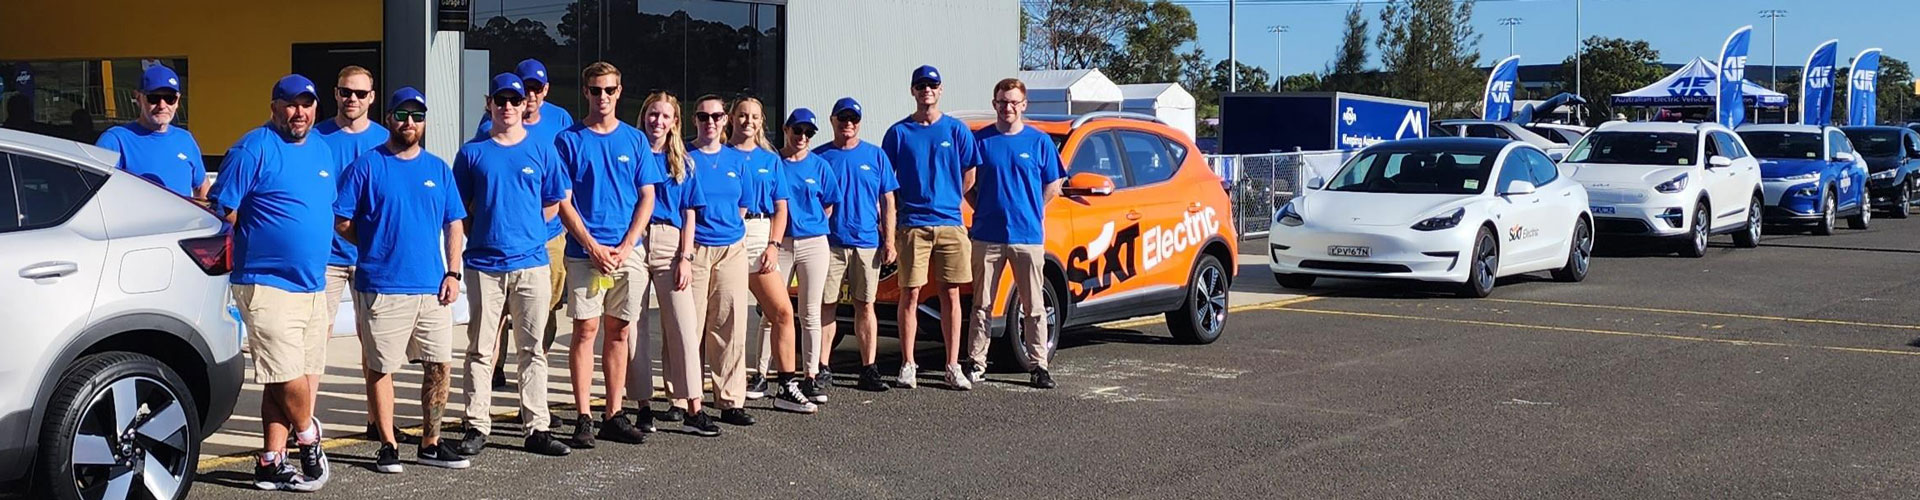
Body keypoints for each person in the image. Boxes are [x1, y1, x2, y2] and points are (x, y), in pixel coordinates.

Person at [332, 87, 474, 473]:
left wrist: (453, 272)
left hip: (432, 286)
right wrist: (374, 243)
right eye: (401, 115)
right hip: (382, 286)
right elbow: (342, 218)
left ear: (424, 121)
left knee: (439, 364)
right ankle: (388, 445)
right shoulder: (367, 166)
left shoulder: (438, 169)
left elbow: (454, 222)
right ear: (389, 117)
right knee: (381, 367)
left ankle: (431, 443)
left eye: (416, 115)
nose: (409, 122)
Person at [211, 74, 336, 492]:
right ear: (274, 106)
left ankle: (271, 460)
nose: (299, 112)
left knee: (284, 376)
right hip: (264, 282)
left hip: (313, 285)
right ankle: (309, 436)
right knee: (287, 375)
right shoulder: (253, 148)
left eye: (306, 104)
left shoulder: (322, 148)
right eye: (290, 104)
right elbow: (222, 211)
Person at [452, 73, 572, 457]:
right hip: (485, 264)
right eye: (500, 100)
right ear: (490, 103)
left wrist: (530, 232)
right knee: (481, 349)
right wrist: (482, 235)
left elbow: (553, 200)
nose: (507, 107)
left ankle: (536, 425)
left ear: (525, 105)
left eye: (514, 100)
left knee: (532, 348)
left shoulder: (541, 149)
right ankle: (476, 424)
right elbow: (460, 210)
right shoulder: (472, 152)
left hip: (531, 263)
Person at [553, 62, 657, 447]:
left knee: (620, 332)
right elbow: (562, 201)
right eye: (595, 90)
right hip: (585, 254)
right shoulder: (568, 140)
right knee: (585, 331)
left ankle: (613, 413)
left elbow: (647, 196)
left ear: (619, 91)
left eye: (609, 90)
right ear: (585, 93)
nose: (602, 97)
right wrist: (593, 246)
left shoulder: (634, 140)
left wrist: (628, 245)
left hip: (627, 253)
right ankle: (584, 415)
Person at [310, 65, 397, 441]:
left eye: (360, 94)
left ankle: (378, 423)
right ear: (336, 93)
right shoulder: (316, 138)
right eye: (346, 92)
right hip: (325, 256)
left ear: (372, 97)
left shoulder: (386, 139)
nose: (352, 100)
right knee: (315, 341)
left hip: (371, 258)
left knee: (375, 342)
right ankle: (304, 425)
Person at [482, 59, 577, 392]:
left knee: (545, 308)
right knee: (501, 312)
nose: (530, 95)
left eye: (536, 89)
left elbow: (561, 184)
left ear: (544, 90)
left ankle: (537, 367)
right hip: (501, 239)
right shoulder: (492, 123)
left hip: (547, 235)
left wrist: (538, 226)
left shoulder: (560, 120)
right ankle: (494, 368)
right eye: (525, 87)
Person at [881, 65, 977, 389]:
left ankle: (953, 365)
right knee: (910, 294)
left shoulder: (956, 130)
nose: (926, 90)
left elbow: (969, 175)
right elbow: (886, 181)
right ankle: (908, 364)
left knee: (951, 294)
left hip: (950, 223)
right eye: (921, 85)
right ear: (913, 90)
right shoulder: (898, 133)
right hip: (912, 225)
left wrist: (948, 200)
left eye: (932, 85)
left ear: (940, 89)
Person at [965, 78, 1064, 389]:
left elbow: (1054, 184)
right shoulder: (981, 141)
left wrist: (1035, 206)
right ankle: (976, 361)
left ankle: (1039, 365)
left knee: (1033, 304)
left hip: (1027, 235)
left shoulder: (1039, 142)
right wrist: (978, 207)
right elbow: (967, 183)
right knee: (981, 303)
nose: (1007, 107)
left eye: (1013, 102)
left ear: (1024, 105)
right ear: (994, 104)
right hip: (987, 234)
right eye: (1002, 101)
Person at [634, 90, 710, 434]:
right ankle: (642, 406)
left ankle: (693, 406)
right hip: (634, 239)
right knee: (632, 326)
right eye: (653, 114)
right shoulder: (631, 151)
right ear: (644, 116)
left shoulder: (683, 161)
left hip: (670, 241)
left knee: (683, 326)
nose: (658, 121)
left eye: (665, 116)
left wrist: (685, 256)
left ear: (675, 122)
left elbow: (689, 212)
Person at [815, 97, 898, 392]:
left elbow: (888, 201)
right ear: (832, 120)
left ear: (859, 122)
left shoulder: (876, 156)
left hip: (866, 244)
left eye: (853, 118)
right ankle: (822, 367)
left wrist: (889, 240)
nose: (847, 123)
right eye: (842, 118)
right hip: (830, 244)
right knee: (827, 305)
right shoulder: (819, 157)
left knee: (866, 305)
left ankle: (868, 369)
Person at [687, 94, 756, 430]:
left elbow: (743, 205)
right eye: (703, 117)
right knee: (690, 326)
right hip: (695, 248)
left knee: (729, 325)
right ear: (694, 120)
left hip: (731, 248)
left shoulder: (737, 160)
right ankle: (682, 398)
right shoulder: (684, 157)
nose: (709, 122)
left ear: (725, 120)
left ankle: (730, 399)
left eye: (716, 116)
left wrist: (728, 231)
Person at [727, 97, 796, 403]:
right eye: (742, 115)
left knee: (782, 312)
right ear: (732, 118)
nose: (748, 121)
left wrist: (773, 245)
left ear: (761, 122)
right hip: (726, 235)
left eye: (755, 116)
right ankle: (725, 387)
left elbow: (781, 208)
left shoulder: (770, 160)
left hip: (760, 234)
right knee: (728, 318)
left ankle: (786, 385)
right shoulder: (719, 155)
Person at [772, 107, 836, 412]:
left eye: (808, 133)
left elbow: (828, 205)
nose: (802, 137)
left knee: (809, 311)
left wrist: (809, 226)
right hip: (781, 242)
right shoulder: (775, 162)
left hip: (813, 242)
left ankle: (810, 374)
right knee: (775, 310)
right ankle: (763, 373)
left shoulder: (820, 166)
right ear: (786, 130)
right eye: (797, 130)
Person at [95, 64, 207, 200]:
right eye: (154, 98)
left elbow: (202, 189)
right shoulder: (115, 141)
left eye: (170, 98)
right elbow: (96, 195)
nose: (162, 105)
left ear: (177, 101)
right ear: (138, 98)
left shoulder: (186, 140)